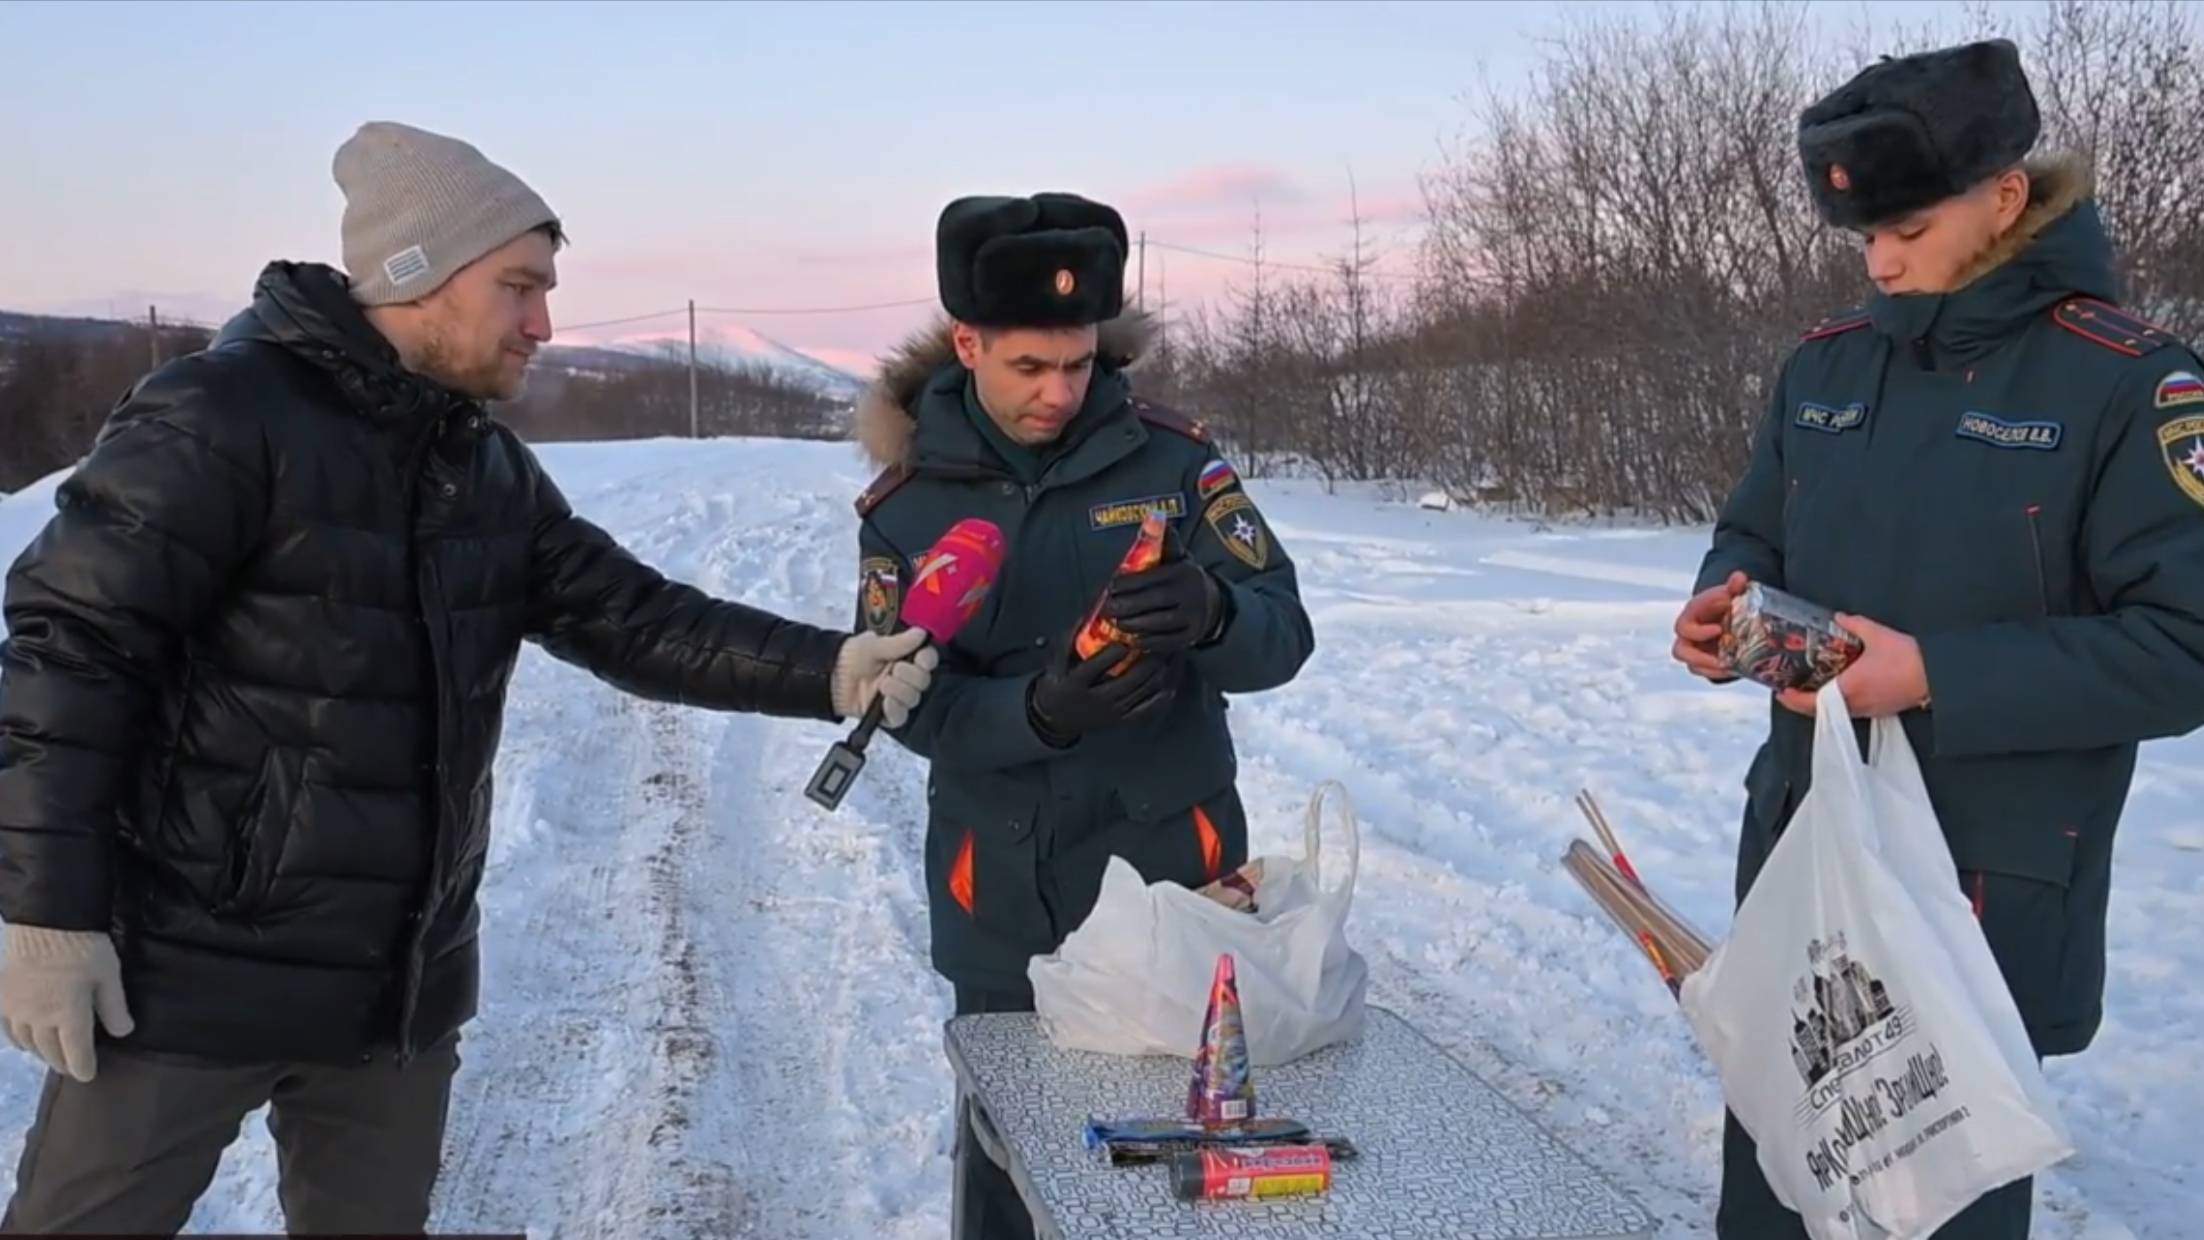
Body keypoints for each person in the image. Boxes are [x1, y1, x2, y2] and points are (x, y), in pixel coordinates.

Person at [0, 120, 936, 1234]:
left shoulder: (478, 462)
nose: (544, 322)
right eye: (519, 287)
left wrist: (828, 670)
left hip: (393, 996)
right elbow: (71, 653)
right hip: (186, 974)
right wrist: (48, 914)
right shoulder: (221, 416)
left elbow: (629, 616)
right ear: (416, 277)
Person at [1673, 39, 2204, 1238]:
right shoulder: (1823, 367)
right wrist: (1722, 605)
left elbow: (2183, 644)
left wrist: (1933, 676)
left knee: (1934, 1206)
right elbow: (1750, 531)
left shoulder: (2125, 383)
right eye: (1863, 235)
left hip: (1976, 881)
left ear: (2004, 196)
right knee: (1768, 1185)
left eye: (1907, 227)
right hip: (1805, 845)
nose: (1880, 259)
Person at [849, 192, 1314, 1237]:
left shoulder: (1175, 465)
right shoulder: (905, 506)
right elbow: (903, 709)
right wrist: (1038, 713)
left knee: (1171, 1173)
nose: (1060, 392)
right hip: (999, 891)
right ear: (965, 344)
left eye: (1079, 362)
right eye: (1028, 367)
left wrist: (1212, 611)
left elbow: (1284, 636)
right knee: (1010, 1168)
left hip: (1172, 877)